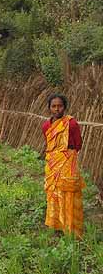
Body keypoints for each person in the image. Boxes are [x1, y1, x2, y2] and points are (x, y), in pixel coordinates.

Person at [42, 93, 86, 238]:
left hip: (67, 163)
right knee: (53, 193)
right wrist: (56, 157)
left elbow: (78, 144)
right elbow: (49, 143)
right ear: (49, 108)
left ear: (64, 107)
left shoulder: (71, 124)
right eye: (53, 106)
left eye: (59, 106)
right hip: (52, 164)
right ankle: (56, 224)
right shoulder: (46, 125)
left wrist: (66, 156)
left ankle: (71, 227)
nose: (56, 109)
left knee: (68, 193)